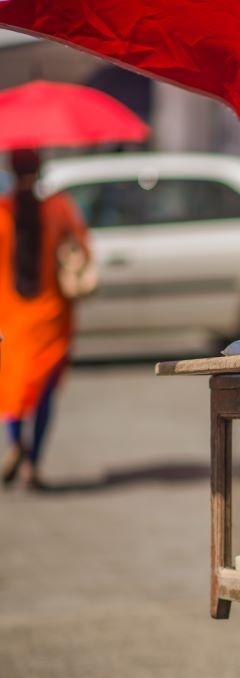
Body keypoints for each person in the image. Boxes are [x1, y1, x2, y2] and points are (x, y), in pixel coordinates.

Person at [0, 148, 90, 490]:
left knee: (14, 389)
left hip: (11, 319)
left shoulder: (2, 212)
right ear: (40, 170)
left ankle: (15, 445)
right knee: (44, 395)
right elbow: (83, 249)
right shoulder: (58, 208)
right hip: (51, 317)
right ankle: (33, 463)